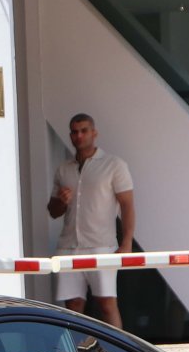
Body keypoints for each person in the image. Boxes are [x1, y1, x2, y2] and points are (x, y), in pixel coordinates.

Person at [46, 113, 135, 329]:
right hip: (68, 247)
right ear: (70, 135)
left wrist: (127, 242)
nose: (79, 136)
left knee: (107, 303)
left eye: (84, 130)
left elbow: (127, 205)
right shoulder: (63, 169)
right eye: (75, 132)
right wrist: (61, 201)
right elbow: (53, 211)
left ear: (94, 133)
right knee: (73, 306)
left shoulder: (114, 164)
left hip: (101, 245)